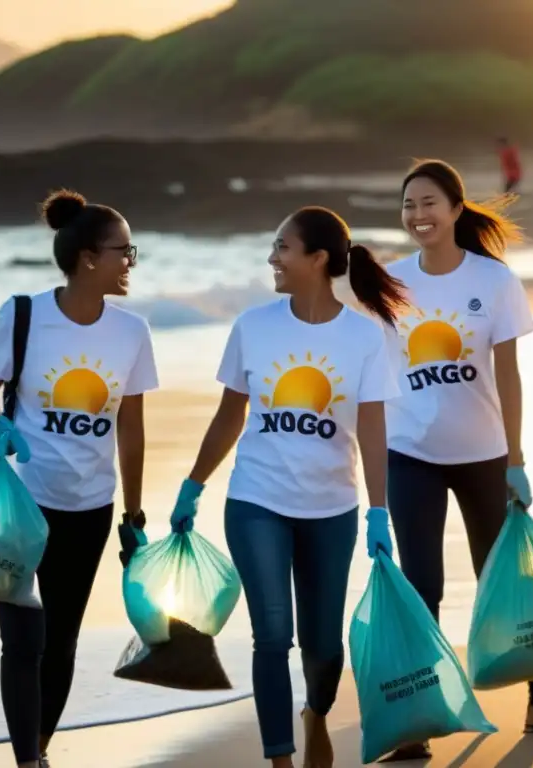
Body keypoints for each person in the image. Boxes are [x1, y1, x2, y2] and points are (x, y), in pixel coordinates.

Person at [167, 206, 407, 768]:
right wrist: (193, 485)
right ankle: (280, 760)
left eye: (283, 248)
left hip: (331, 507)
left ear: (318, 259)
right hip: (256, 499)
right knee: (272, 635)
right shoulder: (253, 325)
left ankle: (316, 714)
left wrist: (379, 511)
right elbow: (230, 414)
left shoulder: (363, 338)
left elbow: (373, 428)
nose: (272, 258)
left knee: (323, 646)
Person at [378, 159, 533, 762]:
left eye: (429, 203)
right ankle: (420, 717)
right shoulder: (389, 283)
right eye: (409, 205)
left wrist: (516, 459)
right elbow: (371, 371)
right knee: (422, 585)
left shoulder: (493, 281)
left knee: (510, 581)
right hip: (410, 453)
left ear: (456, 208)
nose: (418, 216)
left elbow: (510, 376)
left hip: (484, 454)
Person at [0, 190, 159, 768]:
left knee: (61, 642)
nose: (131, 261)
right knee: (23, 641)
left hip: (89, 509)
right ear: (87, 258)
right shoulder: (24, 315)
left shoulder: (132, 333)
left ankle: (41, 747)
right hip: (22, 505)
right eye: (123, 251)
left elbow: (131, 427)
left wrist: (133, 513)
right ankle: (30, 762)